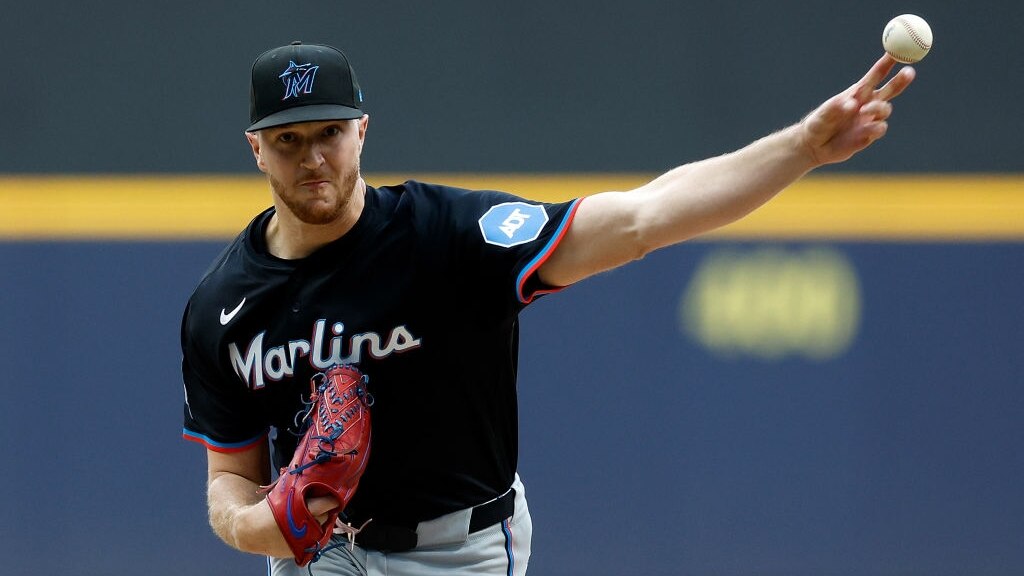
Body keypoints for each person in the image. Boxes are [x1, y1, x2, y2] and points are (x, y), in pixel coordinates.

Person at [180, 40, 915, 576]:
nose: (314, 158)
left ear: (362, 131)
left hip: (455, 553)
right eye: (289, 140)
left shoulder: (448, 239)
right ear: (256, 150)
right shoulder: (223, 307)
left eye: (331, 134)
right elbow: (230, 478)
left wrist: (801, 150)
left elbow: (640, 220)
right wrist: (254, 528)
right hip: (325, 559)